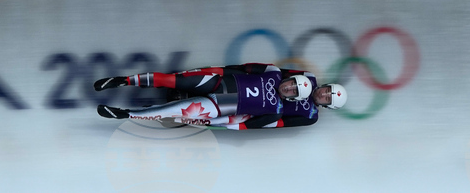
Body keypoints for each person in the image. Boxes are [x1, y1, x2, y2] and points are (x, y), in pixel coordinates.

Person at [93, 63, 346, 130]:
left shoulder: (288, 110)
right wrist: (221, 70)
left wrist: (231, 124)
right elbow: (249, 67)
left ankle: (126, 114)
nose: (322, 94)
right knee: (173, 80)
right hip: (221, 82)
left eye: (326, 98)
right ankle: (123, 81)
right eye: (326, 90)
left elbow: (271, 123)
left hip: (223, 105)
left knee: (178, 111)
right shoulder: (277, 75)